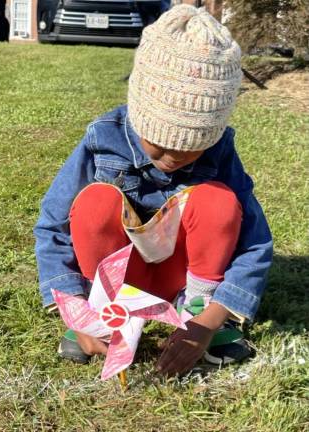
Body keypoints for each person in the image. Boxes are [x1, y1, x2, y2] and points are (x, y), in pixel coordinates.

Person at [34, 5, 273, 377]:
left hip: (185, 277)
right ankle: (103, 310)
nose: (173, 157)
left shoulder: (221, 151)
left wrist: (209, 321)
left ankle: (195, 303)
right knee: (96, 203)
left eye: (193, 145)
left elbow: (256, 242)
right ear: (138, 112)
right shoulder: (102, 137)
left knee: (219, 202)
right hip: (119, 274)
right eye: (158, 143)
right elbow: (52, 225)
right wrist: (75, 309)